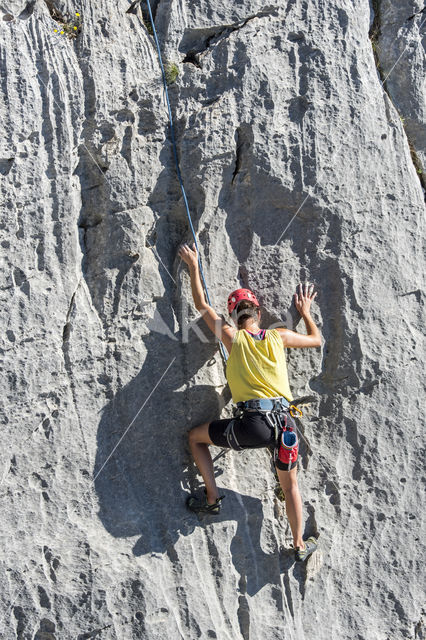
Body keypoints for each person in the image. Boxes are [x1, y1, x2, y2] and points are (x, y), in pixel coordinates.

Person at [178, 242, 322, 562]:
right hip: (285, 425)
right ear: (258, 313)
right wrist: (305, 313)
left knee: (195, 437)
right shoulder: (278, 337)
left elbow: (201, 303)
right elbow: (315, 339)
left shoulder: (231, 336)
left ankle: (212, 497)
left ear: (234, 315)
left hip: (253, 425)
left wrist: (193, 264)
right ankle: (299, 545)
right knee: (291, 487)